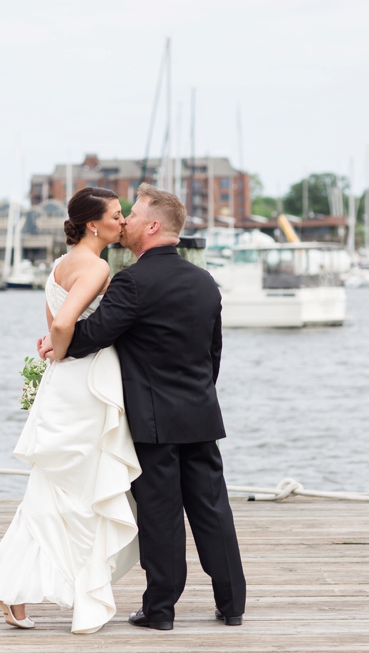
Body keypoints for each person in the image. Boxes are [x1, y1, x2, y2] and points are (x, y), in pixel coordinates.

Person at [41, 183, 247, 631]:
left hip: (154, 420)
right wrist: (197, 396)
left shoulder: (134, 281)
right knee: (213, 508)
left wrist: (55, 344)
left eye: (133, 215)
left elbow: (94, 334)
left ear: (153, 226)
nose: (126, 221)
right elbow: (213, 353)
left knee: (161, 514)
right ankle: (232, 604)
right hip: (201, 413)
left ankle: (161, 610)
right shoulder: (205, 282)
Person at [0, 187, 141, 634]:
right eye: (117, 215)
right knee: (78, 494)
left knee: (55, 491)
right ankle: (27, 590)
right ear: (93, 224)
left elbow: (51, 325)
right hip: (84, 383)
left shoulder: (60, 265)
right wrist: (62, 352)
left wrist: (55, 350)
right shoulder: (98, 266)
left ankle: (16, 591)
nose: (123, 222)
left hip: (65, 385)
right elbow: (64, 325)